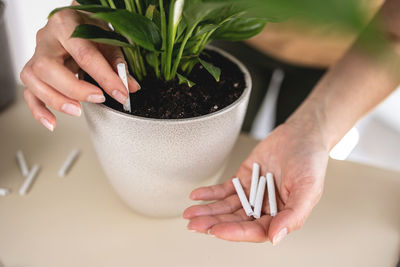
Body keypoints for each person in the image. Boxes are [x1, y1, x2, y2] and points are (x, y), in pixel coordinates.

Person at [20, 0, 400, 245]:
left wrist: (314, 127)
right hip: (219, 22)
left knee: (284, 147)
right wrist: (86, 16)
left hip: (355, 48)